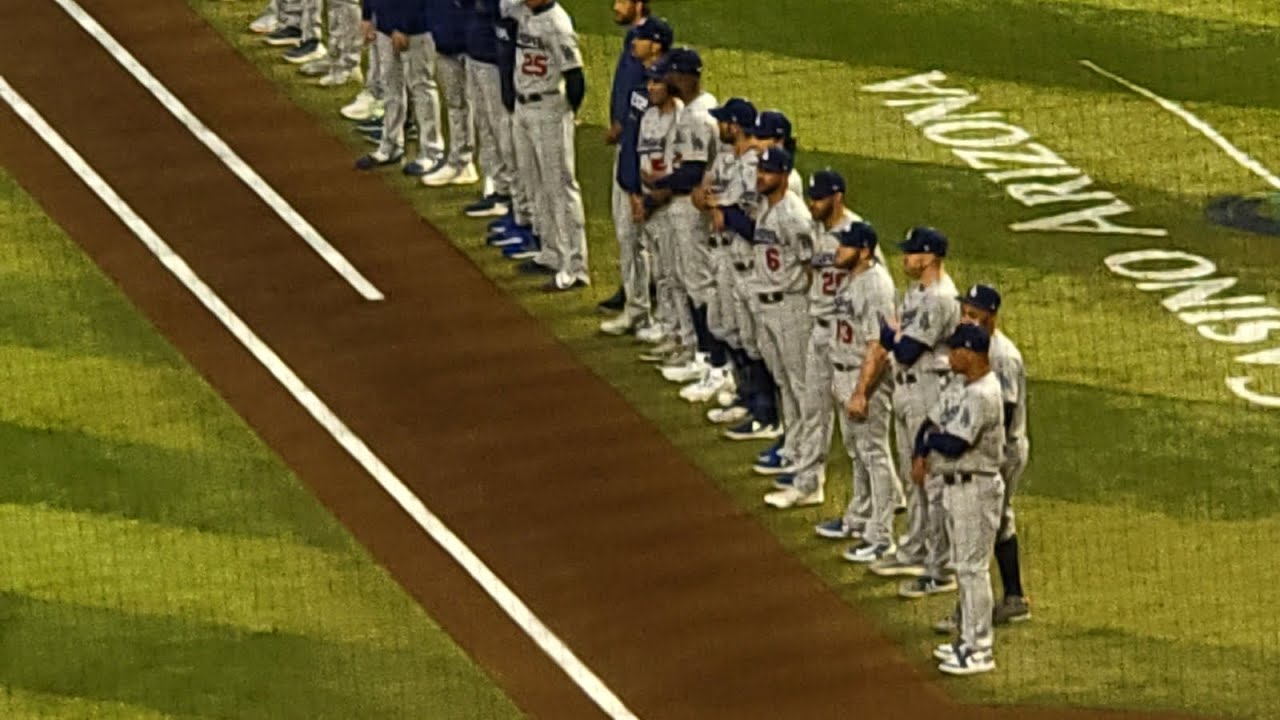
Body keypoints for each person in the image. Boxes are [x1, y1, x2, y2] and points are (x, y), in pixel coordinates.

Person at [865, 227, 960, 603]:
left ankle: (943, 567)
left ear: (931, 257)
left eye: (912, 253)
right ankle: (915, 548)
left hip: (928, 390)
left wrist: (891, 337)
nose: (905, 258)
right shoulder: (918, 291)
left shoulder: (940, 297)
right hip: (908, 389)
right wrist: (895, 337)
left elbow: (905, 349)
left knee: (933, 479)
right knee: (915, 476)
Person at [763, 169, 867, 504]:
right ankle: (809, 483)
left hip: (844, 338)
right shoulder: (815, 229)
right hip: (817, 331)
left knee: (857, 432)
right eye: (810, 197)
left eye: (819, 198)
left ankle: (875, 503)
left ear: (837, 197)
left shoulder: (854, 235)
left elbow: (872, 286)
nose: (812, 204)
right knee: (812, 407)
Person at [720, 147, 816, 498]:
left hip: (792, 307)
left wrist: (809, 307)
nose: (761, 176)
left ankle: (808, 463)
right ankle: (793, 448)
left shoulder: (795, 215)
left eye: (769, 171)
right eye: (760, 170)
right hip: (768, 306)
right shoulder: (764, 207)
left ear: (785, 175)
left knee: (802, 388)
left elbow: (810, 267)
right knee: (785, 384)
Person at [919, 323, 1006, 676]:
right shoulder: (963, 385)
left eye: (955, 349)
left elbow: (955, 444)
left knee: (973, 570)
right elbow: (933, 426)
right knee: (965, 568)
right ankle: (967, 641)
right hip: (958, 485)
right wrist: (928, 441)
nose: (950, 355)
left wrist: (930, 443)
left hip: (977, 487)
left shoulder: (984, 393)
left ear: (971, 353)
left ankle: (980, 649)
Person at [503, 0, 590, 292]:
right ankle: (551, 252)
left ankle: (576, 266)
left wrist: (567, 115)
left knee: (560, 187)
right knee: (535, 183)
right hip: (523, 107)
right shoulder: (524, 11)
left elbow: (576, 78)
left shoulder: (559, 24)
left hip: (550, 107)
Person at [959, 284, 1031, 625]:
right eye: (965, 311)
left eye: (974, 314)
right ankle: (1014, 597)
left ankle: (974, 611)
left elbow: (1003, 410)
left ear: (992, 316)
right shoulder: (977, 347)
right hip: (993, 449)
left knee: (985, 524)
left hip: (1003, 451)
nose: (967, 319)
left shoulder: (1002, 356)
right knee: (998, 520)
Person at [648, 48, 720, 388]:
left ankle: (711, 362)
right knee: (690, 281)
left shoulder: (696, 117)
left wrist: (659, 186)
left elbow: (692, 172)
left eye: (670, 74)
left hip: (691, 209)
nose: (665, 79)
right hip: (687, 207)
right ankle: (701, 355)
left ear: (686, 76)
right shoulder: (700, 107)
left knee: (700, 285)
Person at [599, 12, 673, 336]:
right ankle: (636, 309)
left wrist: (640, 193)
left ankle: (666, 323)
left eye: (641, 39)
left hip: (650, 180)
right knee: (627, 241)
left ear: (655, 45)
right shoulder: (639, 79)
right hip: (628, 170)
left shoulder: (664, 90)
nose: (634, 42)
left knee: (658, 251)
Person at [597, 0, 652, 317]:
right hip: (626, 144)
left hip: (639, 149)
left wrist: (622, 125)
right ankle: (633, 291)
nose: (614, 6)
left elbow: (643, 100)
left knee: (635, 231)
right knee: (626, 230)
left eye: (621, 1)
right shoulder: (631, 40)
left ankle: (640, 299)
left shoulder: (647, 49)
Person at [355, 0, 447, 173]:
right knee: (390, 88)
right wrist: (368, 16)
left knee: (421, 88)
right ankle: (390, 145)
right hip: (384, 23)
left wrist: (403, 26)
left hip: (416, 28)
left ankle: (432, 152)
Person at [461, 0, 519, 217]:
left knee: (502, 130)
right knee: (484, 126)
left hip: (494, 61)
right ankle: (498, 188)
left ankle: (512, 195)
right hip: (474, 52)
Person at [420, 0, 481, 185]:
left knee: (486, 114)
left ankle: (494, 180)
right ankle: (459, 163)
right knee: (455, 106)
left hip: (475, 49)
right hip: (444, 42)